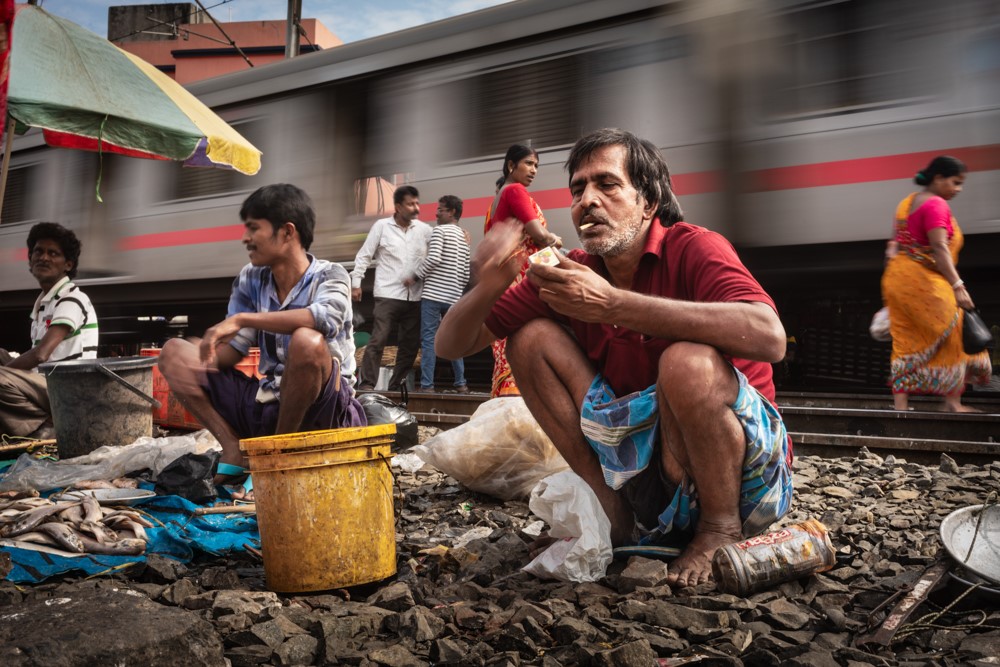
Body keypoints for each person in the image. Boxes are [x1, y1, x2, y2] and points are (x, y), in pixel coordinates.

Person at [437, 129, 793, 587]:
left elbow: (770, 337)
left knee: (686, 361)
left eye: (607, 184)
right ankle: (617, 518)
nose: (588, 200)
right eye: (578, 189)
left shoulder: (694, 246)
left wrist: (612, 305)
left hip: (740, 478)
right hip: (645, 468)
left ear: (648, 202)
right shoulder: (573, 272)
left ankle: (718, 529)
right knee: (531, 339)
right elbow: (451, 346)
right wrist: (488, 284)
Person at [158, 184, 366, 499]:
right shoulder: (251, 279)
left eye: (254, 228)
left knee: (306, 342)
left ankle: (275, 459)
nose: (246, 238)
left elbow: (324, 319)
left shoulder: (332, 275)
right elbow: (233, 353)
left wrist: (243, 319)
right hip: (268, 404)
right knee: (174, 351)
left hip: (324, 412)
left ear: (286, 233)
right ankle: (234, 449)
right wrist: (199, 359)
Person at [881, 156, 991, 412]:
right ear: (938, 178)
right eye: (955, 182)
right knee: (952, 333)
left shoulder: (906, 203)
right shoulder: (936, 205)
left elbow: (892, 244)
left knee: (906, 340)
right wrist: (958, 285)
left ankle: (901, 405)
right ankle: (952, 402)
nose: (958, 189)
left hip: (897, 279)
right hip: (925, 282)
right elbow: (940, 248)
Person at [0, 223, 99, 440]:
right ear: (30, 260)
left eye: (53, 253)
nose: (43, 258)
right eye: (38, 251)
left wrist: (7, 372)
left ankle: (45, 428)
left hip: (71, 390)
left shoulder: (71, 298)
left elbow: (41, 354)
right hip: (49, 384)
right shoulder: (44, 303)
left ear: (68, 265)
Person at [484, 144, 563, 397]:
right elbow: (539, 236)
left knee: (507, 346)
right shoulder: (515, 191)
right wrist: (555, 240)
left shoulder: (497, 199)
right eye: (529, 163)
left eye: (537, 166)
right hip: (522, 281)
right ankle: (520, 404)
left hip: (503, 282)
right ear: (511, 165)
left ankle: (505, 405)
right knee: (523, 342)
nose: (534, 170)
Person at [351, 185, 432, 391]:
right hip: (387, 294)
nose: (416, 208)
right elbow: (365, 254)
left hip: (414, 297)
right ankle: (368, 384)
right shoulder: (381, 226)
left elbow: (439, 249)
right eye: (410, 204)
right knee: (378, 340)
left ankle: (397, 385)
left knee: (410, 346)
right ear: (398, 206)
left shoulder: (424, 230)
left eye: (417, 203)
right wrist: (356, 283)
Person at [403, 195, 471, 393]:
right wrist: (456, 291)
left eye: (440, 209)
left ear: (451, 212)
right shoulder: (463, 237)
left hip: (433, 296)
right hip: (453, 297)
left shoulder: (439, 231)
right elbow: (466, 272)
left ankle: (427, 386)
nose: (436, 213)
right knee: (454, 340)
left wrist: (414, 277)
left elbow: (433, 258)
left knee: (429, 340)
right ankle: (461, 384)